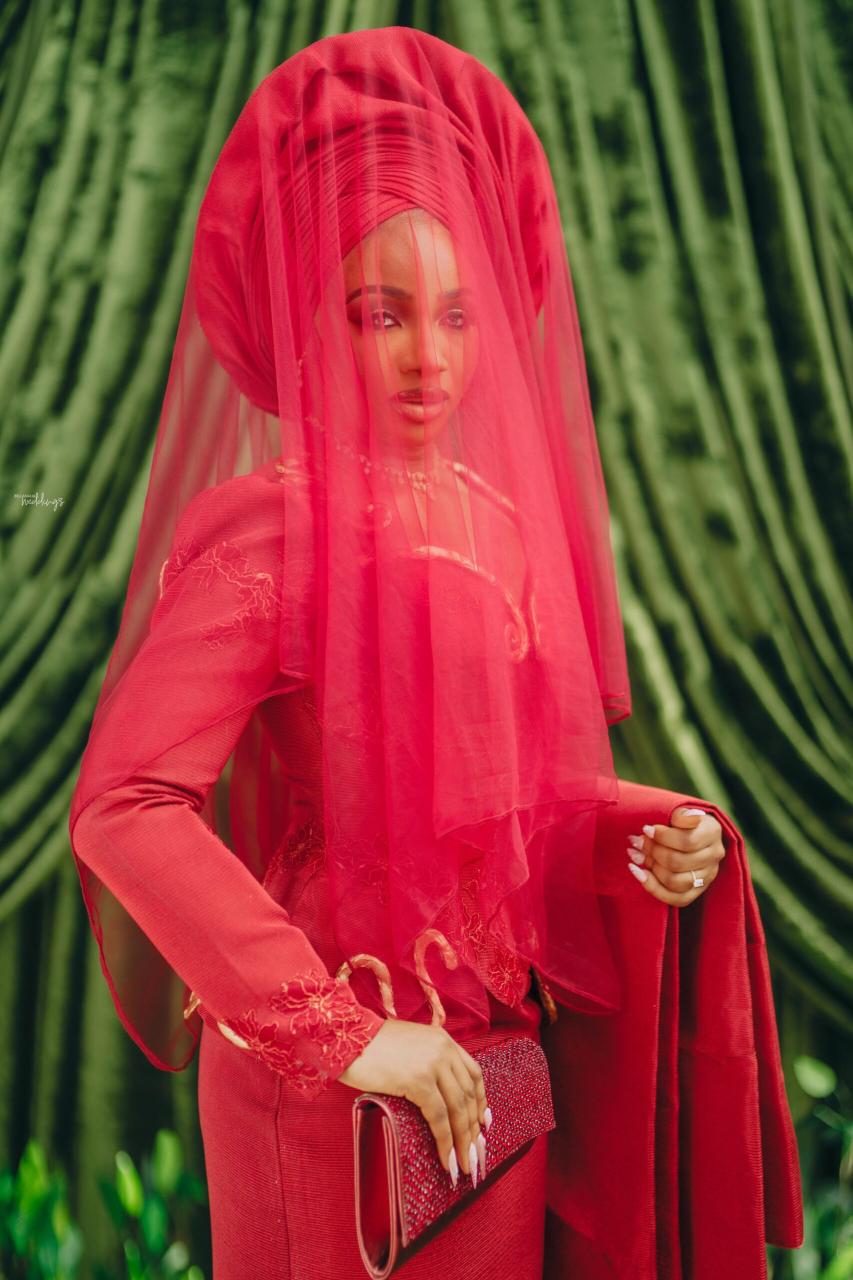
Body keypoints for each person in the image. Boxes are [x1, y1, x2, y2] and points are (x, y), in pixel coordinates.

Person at [68, 27, 803, 1279]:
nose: (431, 358)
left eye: (458, 315)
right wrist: (343, 1032)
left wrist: (645, 834)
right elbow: (125, 802)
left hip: (493, 1063)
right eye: (381, 314)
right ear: (312, 319)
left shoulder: (499, 523)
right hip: (333, 1079)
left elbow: (500, 802)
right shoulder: (271, 529)